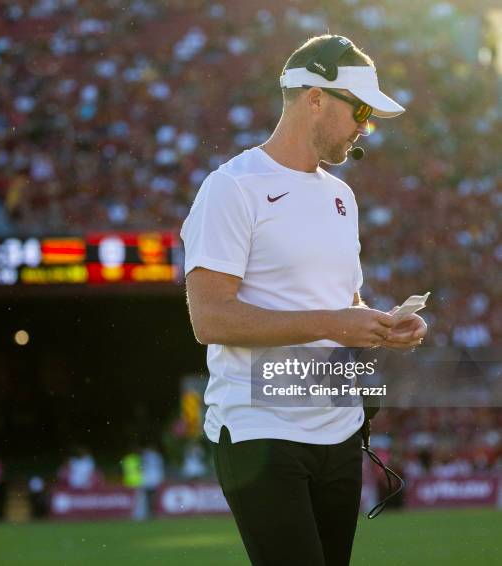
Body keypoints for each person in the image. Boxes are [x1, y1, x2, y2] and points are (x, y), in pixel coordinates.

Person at [180, 35, 427, 566]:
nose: (367, 126)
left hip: (337, 426)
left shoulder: (342, 195)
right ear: (314, 97)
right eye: (360, 109)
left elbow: (344, 302)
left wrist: (382, 325)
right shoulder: (232, 188)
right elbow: (209, 317)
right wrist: (336, 324)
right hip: (259, 428)